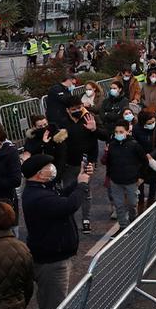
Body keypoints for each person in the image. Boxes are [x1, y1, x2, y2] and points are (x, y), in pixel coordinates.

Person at [21, 154, 91, 309]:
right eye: (48, 166)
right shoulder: (38, 196)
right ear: (39, 174)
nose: (53, 168)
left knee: (47, 305)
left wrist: (78, 180)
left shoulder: (43, 189)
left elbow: (63, 194)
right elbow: (68, 205)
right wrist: (82, 185)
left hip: (54, 256)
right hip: (51, 262)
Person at [60, 99, 99, 234]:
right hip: (68, 166)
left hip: (85, 164)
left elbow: (100, 139)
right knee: (66, 192)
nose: (77, 111)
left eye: (79, 108)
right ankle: (67, 220)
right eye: (73, 109)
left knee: (85, 192)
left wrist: (94, 129)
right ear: (68, 110)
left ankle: (86, 219)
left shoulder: (89, 119)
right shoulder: (62, 123)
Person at [102, 121, 143, 229]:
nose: (118, 134)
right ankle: (123, 226)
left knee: (132, 204)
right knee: (119, 205)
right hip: (116, 181)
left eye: (121, 131)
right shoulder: (112, 145)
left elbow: (144, 161)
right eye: (116, 132)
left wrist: (141, 177)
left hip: (131, 181)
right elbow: (107, 162)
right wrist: (110, 176)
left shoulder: (134, 145)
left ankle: (133, 221)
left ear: (127, 132)